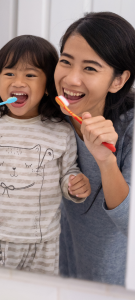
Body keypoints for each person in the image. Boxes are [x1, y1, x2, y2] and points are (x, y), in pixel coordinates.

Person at [0, 35, 91, 274]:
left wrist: (74, 184)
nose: (18, 81)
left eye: (30, 75)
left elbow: (68, 173)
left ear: (48, 86)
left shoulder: (61, 131)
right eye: (9, 73)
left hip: (44, 241)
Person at [54, 12, 135, 285]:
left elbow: (129, 224)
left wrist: (105, 160)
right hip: (61, 272)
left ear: (118, 80)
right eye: (65, 61)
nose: (71, 79)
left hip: (115, 283)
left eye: (90, 68)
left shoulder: (130, 129)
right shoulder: (52, 114)